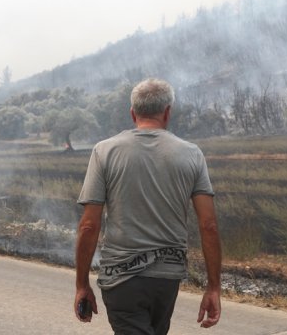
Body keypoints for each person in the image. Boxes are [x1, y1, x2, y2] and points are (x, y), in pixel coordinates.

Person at [74, 78, 222, 334]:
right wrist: (213, 288)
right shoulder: (192, 154)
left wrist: (81, 285)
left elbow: (89, 225)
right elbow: (208, 225)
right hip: (167, 279)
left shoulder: (104, 151)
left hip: (121, 279)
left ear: (132, 113)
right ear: (167, 112)